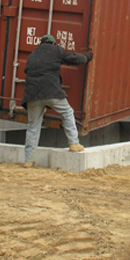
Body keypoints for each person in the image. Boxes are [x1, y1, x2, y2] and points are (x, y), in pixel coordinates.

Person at [21, 34, 93, 168]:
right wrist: (87, 57)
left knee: (33, 126)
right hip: (50, 92)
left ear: (40, 44)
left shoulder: (32, 55)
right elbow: (73, 58)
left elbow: (28, 71)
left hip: (31, 95)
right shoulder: (56, 50)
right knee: (67, 112)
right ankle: (73, 143)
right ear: (53, 43)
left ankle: (28, 160)